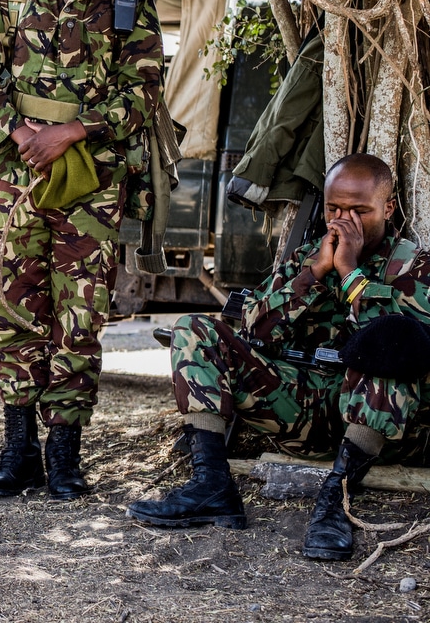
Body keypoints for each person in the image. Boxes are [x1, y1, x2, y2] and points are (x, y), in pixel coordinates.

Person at [0, 0, 164, 500]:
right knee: (13, 307)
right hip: (18, 175)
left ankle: (65, 455)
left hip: (92, 182)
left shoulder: (128, 1)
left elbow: (144, 89)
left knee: (79, 314)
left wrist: (72, 130)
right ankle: (17, 452)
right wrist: (20, 134)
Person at [127, 154, 430, 561]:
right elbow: (255, 331)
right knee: (194, 328)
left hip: (383, 431)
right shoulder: (309, 255)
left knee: (388, 348)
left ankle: (334, 501)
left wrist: (350, 274)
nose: (344, 222)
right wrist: (313, 275)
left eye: (360, 211)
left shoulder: (415, 266)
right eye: (335, 209)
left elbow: (404, 344)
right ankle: (211, 484)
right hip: (307, 410)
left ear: (388, 208)